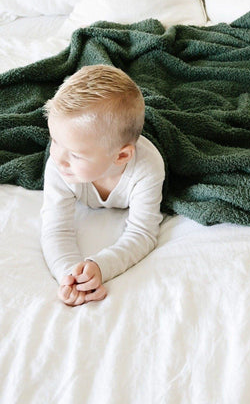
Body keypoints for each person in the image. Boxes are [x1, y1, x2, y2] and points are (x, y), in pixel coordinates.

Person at [41, 64, 165, 306]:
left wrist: (101, 266)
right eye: (54, 140)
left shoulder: (147, 169)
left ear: (121, 157)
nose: (58, 158)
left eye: (76, 155)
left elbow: (142, 232)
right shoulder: (59, 166)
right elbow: (56, 229)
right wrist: (71, 276)